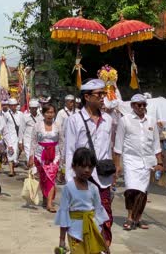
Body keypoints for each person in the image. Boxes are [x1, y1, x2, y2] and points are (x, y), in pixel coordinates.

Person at [64, 79, 115, 247]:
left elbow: (108, 149)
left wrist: (112, 174)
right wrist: (70, 183)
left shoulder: (108, 119)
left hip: (103, 179)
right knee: (82, 220)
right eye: (99, 94)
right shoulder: (75, 120)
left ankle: (102, 248)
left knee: (105, 219)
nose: (103, 97)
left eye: (104, 93)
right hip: (82, 179)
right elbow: (70, 151)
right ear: (87, 96)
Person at [114, 94, 163, 230]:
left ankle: (138, 218)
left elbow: (156, 144)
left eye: (144, 105)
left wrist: (160, 163)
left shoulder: (152, 121)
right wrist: (117, 165)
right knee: (131, 190)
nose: (141, 107)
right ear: (132, 106)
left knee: (142, 192)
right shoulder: (125, 120)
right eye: (138, 105)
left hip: (147, 161)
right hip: (130, 160)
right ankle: (130, 218)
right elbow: (118, 144)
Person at [55, 147, 109, 254]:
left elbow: (99, 214)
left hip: (93, 230)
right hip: (75, 232)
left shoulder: (94, 188)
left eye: (90, 167)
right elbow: (64, 214)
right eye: (83, 166)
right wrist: (61, 240)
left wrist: (103, 241)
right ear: (74, 166)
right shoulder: (68, 188)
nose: (87, 170)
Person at [29, 103, 61, 212]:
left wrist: (64, 158)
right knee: (43, 178)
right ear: (43, 114)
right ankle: (45, 196)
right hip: (40, 155)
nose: (50, 115)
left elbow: (62, 141)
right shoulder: (37, 125)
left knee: (51, 178)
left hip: (54, 155)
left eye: (52, 112)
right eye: (47, 112)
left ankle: (49, 203)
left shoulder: (58, 125)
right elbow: (33, 141)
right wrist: (31, 156)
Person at [6, 98, 25, 176]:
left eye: (15, 105)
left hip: (19, 136)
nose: (13, 107)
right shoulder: (6, 115)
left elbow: (23, 125)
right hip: (10, 136)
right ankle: (11, 170)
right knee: (10, 151)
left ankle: (14, 164)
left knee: (17, 151)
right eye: (12, 105)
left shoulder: (20, 114)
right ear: (9, 106)